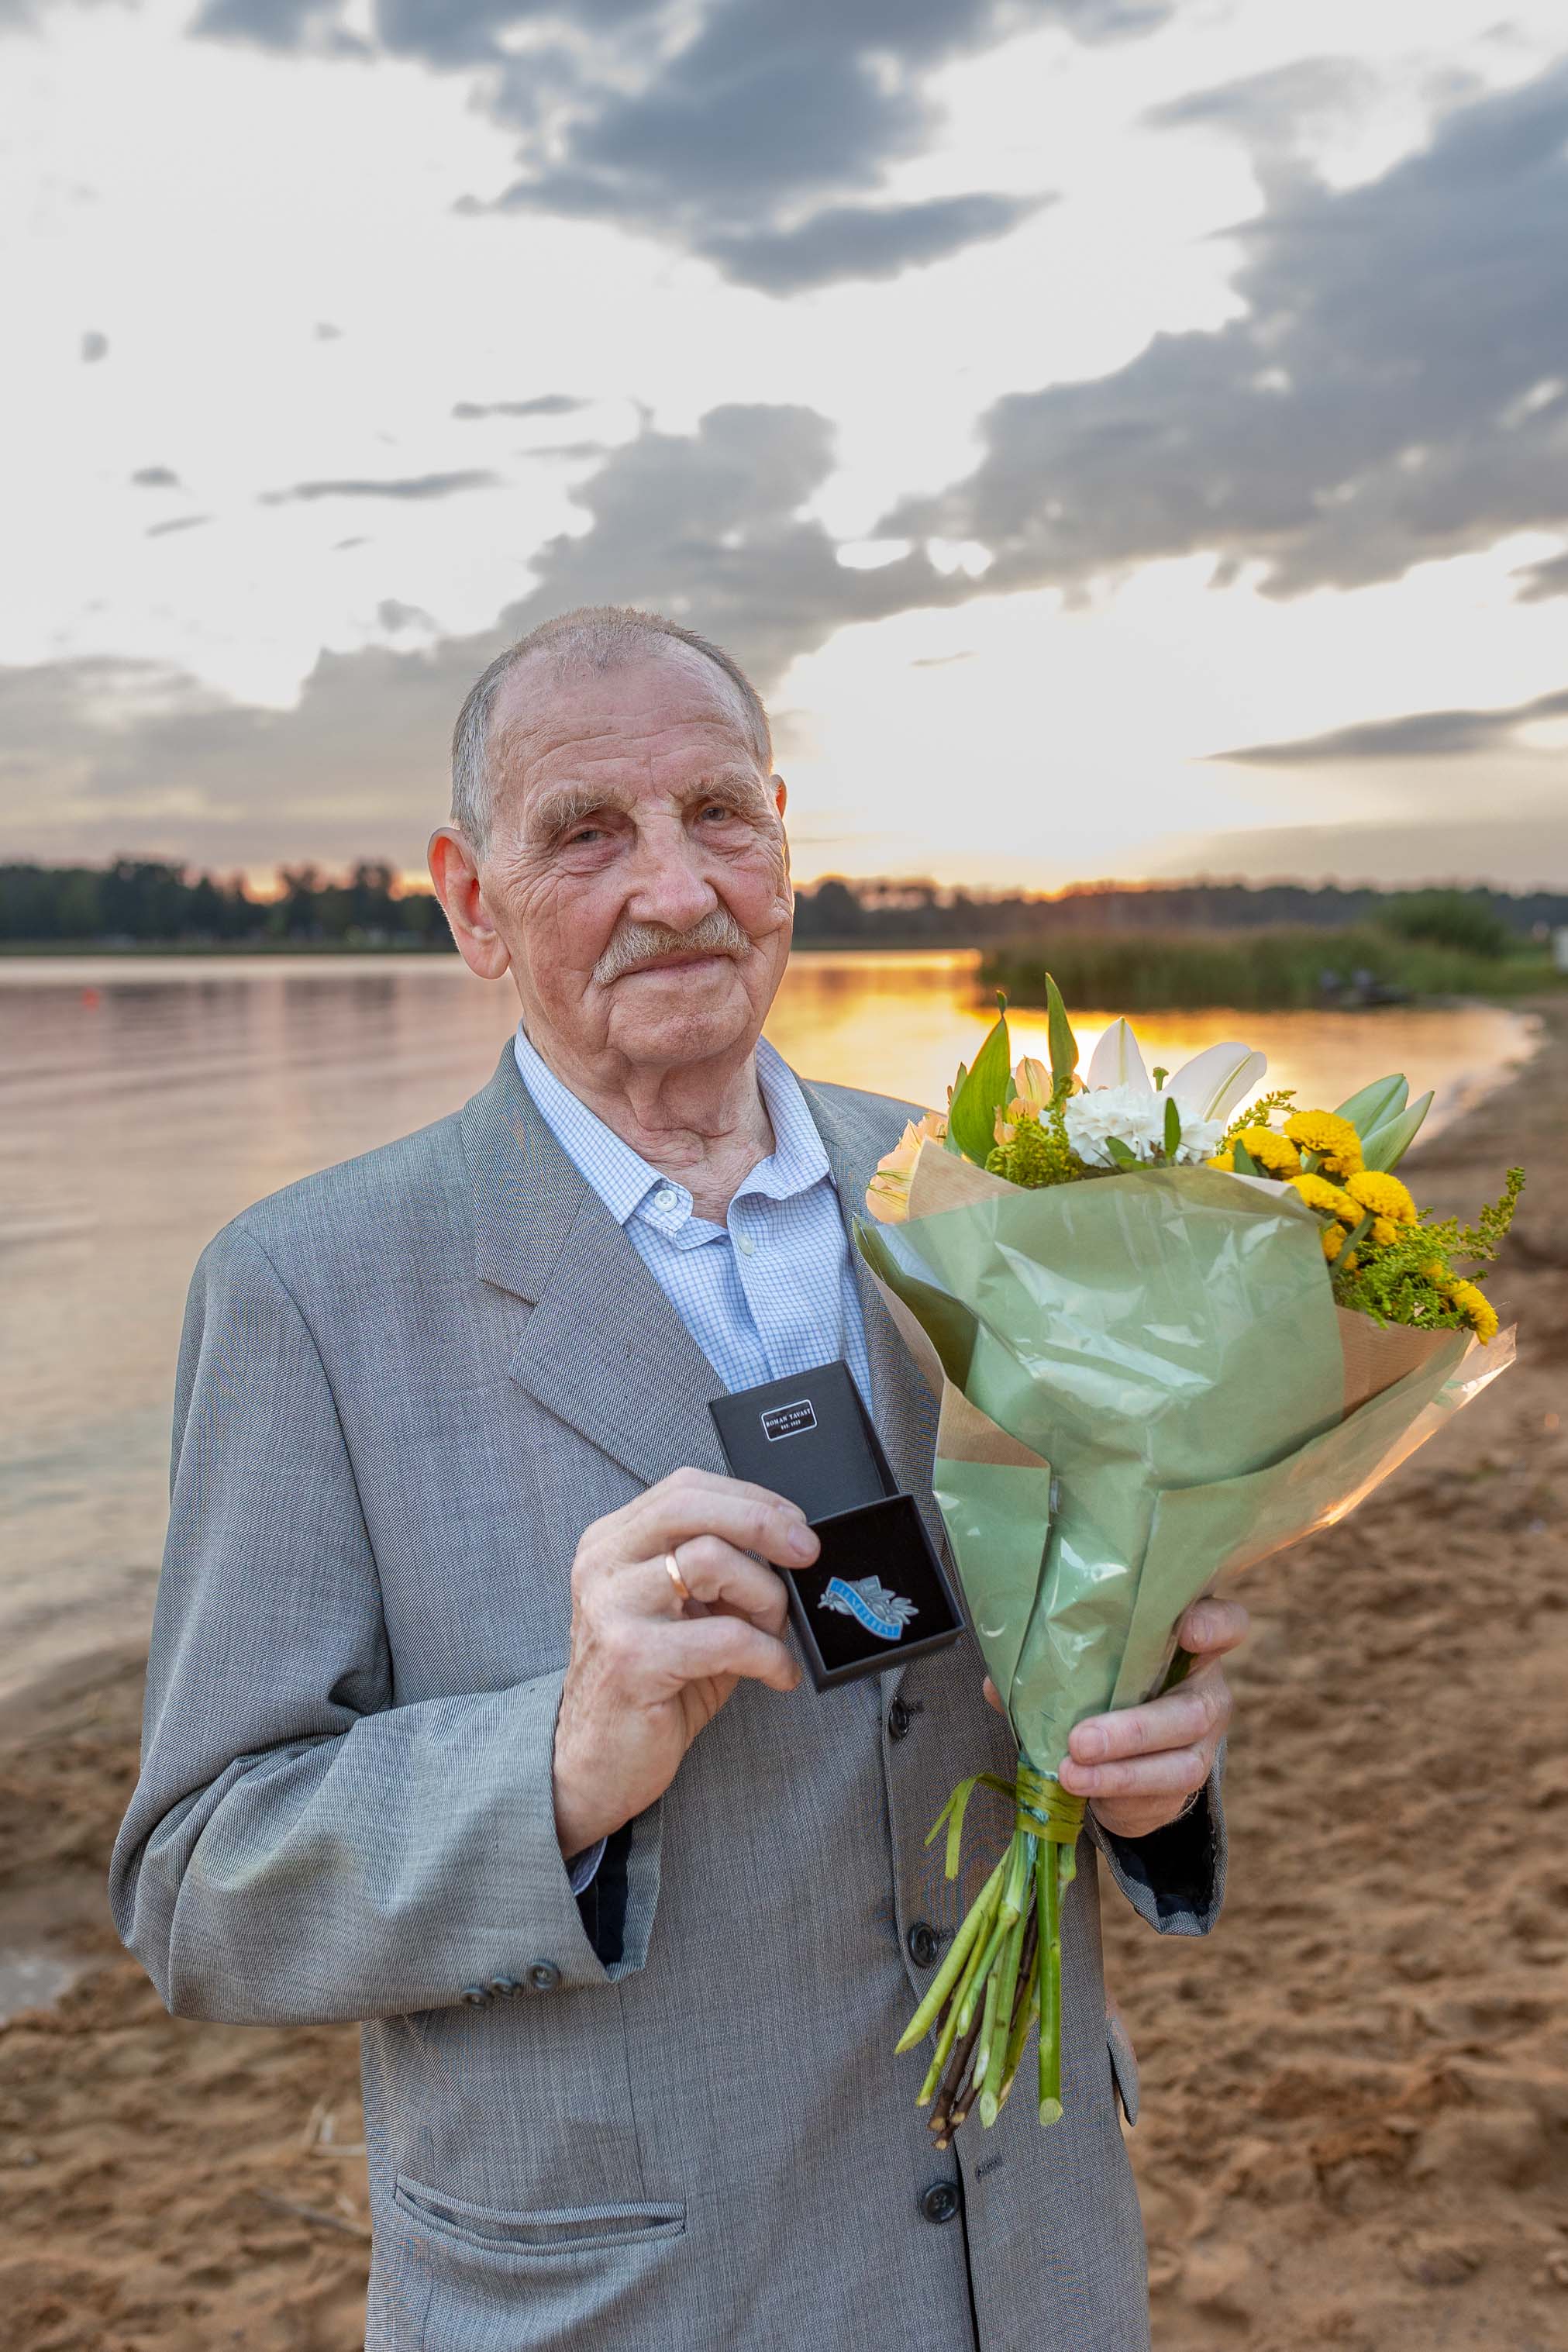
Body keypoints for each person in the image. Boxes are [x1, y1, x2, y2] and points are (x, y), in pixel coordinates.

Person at [111, 604, 1246, 2351]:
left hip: (1036, 2263)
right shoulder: (305, 1287)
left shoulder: (979, 1195)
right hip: (628, 2293)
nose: (673, 886)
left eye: (717, 811)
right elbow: (197, 1883)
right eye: (585, 833)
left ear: (782, 838)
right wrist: (554, 1765)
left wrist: (1151, 1765)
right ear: (471, 902)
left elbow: (1085, 1629)